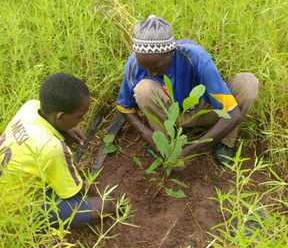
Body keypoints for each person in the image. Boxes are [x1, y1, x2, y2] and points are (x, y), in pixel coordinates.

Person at [117, 15, 259, 166]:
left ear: (171, 52)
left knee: (247, 83)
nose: (151, 73)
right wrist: (150, 136)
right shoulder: (134, 63)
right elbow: (124, 107)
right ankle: (164, 140)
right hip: (167, 114)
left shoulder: (197, 58)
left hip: (203, 109)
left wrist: (192, 150)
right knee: (143, 89)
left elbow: (233, 114)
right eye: (145, 68)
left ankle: (225, 143)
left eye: (157, 68)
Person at [0, 73, 115, 228]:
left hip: (9, 186)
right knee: (104, 207)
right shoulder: (51, 148)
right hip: (14, 210)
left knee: (65, 135)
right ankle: (40, 228)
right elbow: (77, 189)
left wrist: (69, 128)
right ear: (60, 117)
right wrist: (104, 198)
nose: (81, 121)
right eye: (80, 117)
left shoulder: (31, 107)